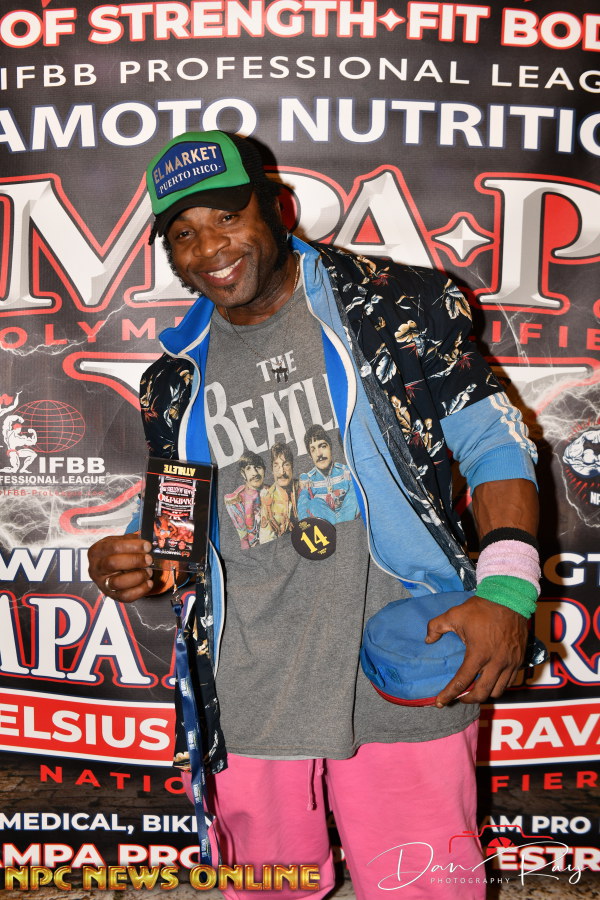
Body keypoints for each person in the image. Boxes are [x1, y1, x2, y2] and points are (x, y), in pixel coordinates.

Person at [88, 130, 540, 899]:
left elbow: (495, 445)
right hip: (252, 675)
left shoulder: (397, 305)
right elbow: (173, 530)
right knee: (269, 887)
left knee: (424, 885)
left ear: (279, 210)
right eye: (183, 234)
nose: (209, 248)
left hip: (405, 648)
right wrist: (139, 560)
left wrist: (507, 588)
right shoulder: (173, 377)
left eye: (227, 216)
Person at [298, 424, 359, 523]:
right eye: (313, 450)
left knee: (355, 492)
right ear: (310, 456)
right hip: (326, 529)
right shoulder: (308, 479)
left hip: (350, 521)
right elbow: (303, 510)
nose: (319, 454)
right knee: (314, 503)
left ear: (330, 447)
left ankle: (342, 524)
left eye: (322, 446)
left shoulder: (345, 471)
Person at [224, 450, 267, 548]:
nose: (254, 473)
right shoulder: (235, 501)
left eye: (258, 467)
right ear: (243, 474)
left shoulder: (273, 491)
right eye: (248, 469)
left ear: (264, 470)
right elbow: (243, 541)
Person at [260, 442, 298, 541]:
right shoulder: (267, 499)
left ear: (292, 467)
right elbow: (266, 539)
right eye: (276, 466)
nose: (281, 472)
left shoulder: (303, 489)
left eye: (286, 465)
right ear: (272, 470)